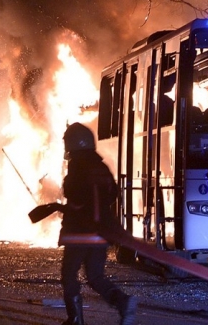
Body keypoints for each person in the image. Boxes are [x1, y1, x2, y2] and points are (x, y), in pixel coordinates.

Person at [59, 122, 137, 325]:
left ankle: (75, 319)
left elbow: (74, 196)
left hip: (79, 233)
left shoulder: (77, 167)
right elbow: (113, 193)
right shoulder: (101, 166)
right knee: (95, 276)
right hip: (101, 232)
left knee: (68, 275)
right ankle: (123, 303)